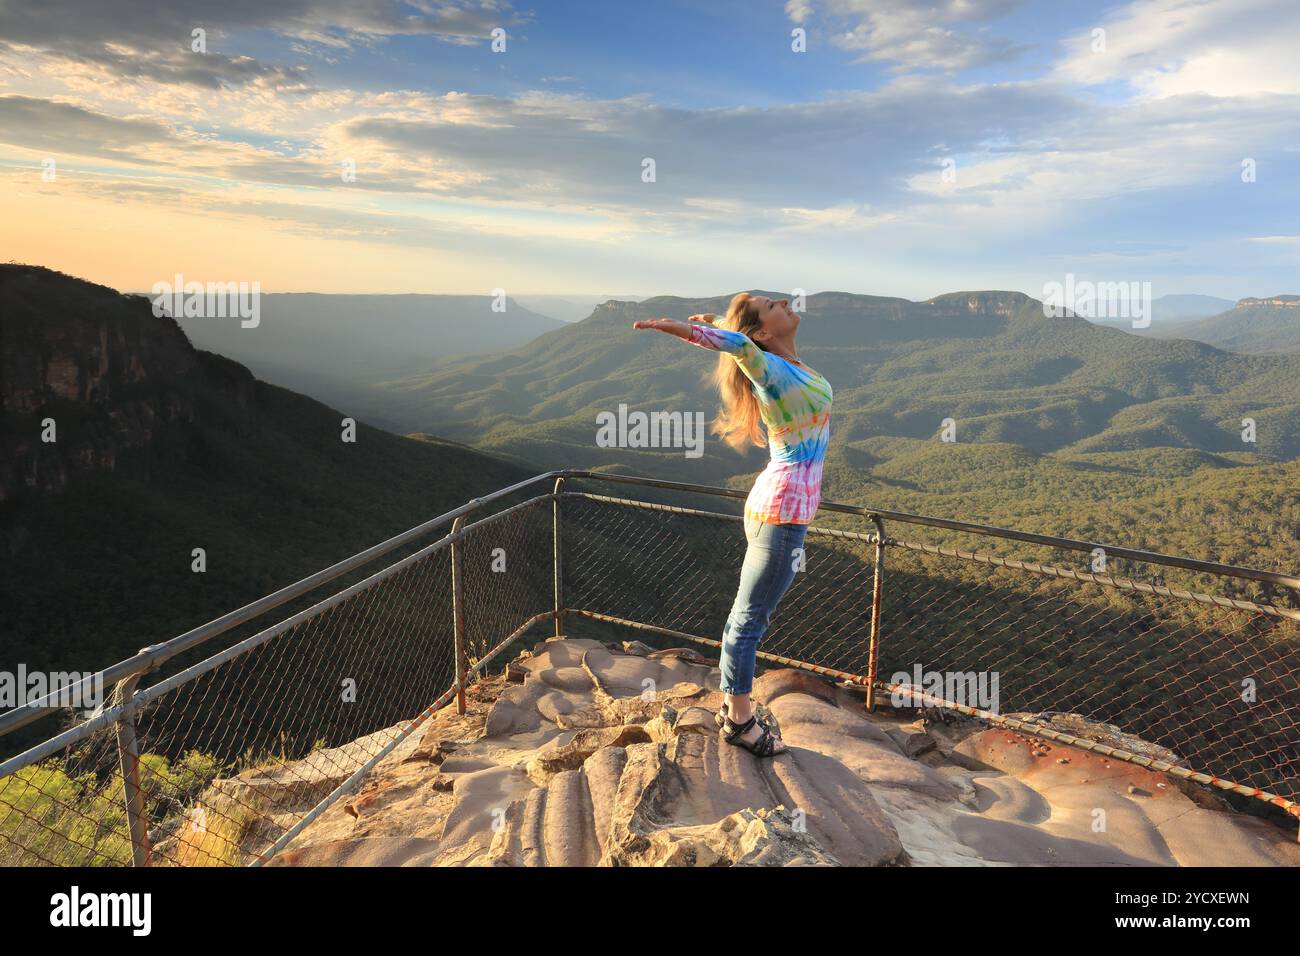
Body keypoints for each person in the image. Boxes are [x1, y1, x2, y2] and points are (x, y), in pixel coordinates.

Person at [631, 292, 832, 756]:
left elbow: (745, 340)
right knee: (748, 619)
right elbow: (740, 347)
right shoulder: (767, 367)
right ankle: (739, 722)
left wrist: (721, 321)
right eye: (772, 304)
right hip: (779, 512)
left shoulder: (787, 363)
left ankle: (735, 708)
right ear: (762, 331)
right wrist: (685, 330)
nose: (785, 300)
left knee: (752, 615)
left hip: (782, 509)